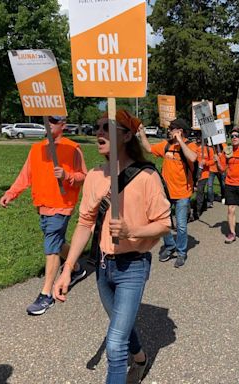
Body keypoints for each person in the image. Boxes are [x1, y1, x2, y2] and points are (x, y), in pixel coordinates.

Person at [53, 109, 171, 384]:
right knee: (121, 327)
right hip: (103, 268)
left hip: (133, 266)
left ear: (128, 135)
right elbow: (84, 224)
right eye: (98, 127)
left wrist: (134, 231)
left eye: (107, 127)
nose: (99, 132)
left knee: (115, 345)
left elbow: (165, 224)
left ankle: (131, 362)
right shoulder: (94, 176)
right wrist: (67, 269)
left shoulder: (146, 176)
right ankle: (140, 357)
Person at [0, 115, 88, 316]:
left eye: (54, 121)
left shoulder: (72, 148)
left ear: (63, 125)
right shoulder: (36, 148)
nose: (49, 124)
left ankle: (46, 294)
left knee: (51, 245)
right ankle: (76, 268)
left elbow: (84, 175)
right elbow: (25, 176)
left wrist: (68, 176)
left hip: (62, 205)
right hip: (42, 204)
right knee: (56, 241)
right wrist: (10, 193)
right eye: (47, 120)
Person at [138, 118, 198, 268]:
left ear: (180, 131)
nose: (169, 131)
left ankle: (181, 252)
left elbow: (193, 157)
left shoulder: (190, 146)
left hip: (183, 193)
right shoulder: (166, 145)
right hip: (165, 193)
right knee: (162, 223)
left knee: (181, 226)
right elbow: (148, 149)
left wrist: (180, 141)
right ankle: (170, 246)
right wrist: (141, 133)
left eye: (172, 129)